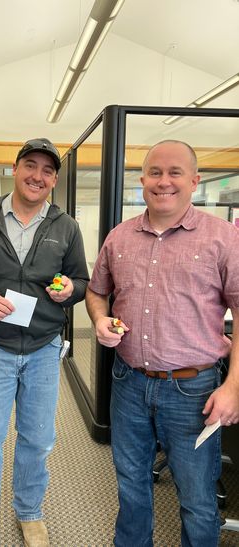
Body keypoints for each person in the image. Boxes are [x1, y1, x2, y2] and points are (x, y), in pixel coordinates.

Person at [86, 139, 239, 547]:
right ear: (142, 180)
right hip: (129, 383)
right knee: (132, 489)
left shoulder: (222, 238)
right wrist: (100, 320)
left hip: (193, 390)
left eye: (174, 173)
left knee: (196, 499)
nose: (164, 181)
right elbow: (96, 291)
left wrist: (234, 387)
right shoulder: (119, 237)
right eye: (155, 172)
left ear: (194, 181)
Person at [0, 137, 89, 546]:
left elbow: (80, 280)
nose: (38, 176)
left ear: (54, 180)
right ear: (16, 169)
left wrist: (70, 291)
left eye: (48, 170)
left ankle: (29, 512)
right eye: (30, 165)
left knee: (38, 438)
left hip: (45, 348)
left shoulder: (66, 226)